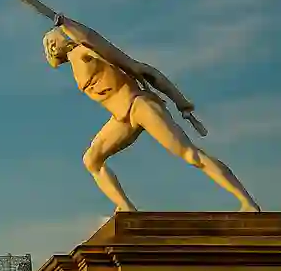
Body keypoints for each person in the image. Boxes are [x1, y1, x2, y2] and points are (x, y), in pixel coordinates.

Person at [43, 15, 259, 213]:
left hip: (139, 105)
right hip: (122, 117)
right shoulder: (75, 61)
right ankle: (126, 208)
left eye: (53, 41)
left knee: (190, 155)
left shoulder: (84, 51)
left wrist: (180, 101)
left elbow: (142, 69)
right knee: (92, 160)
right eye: (50, 44)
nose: (52, 48)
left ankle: (247, 202)